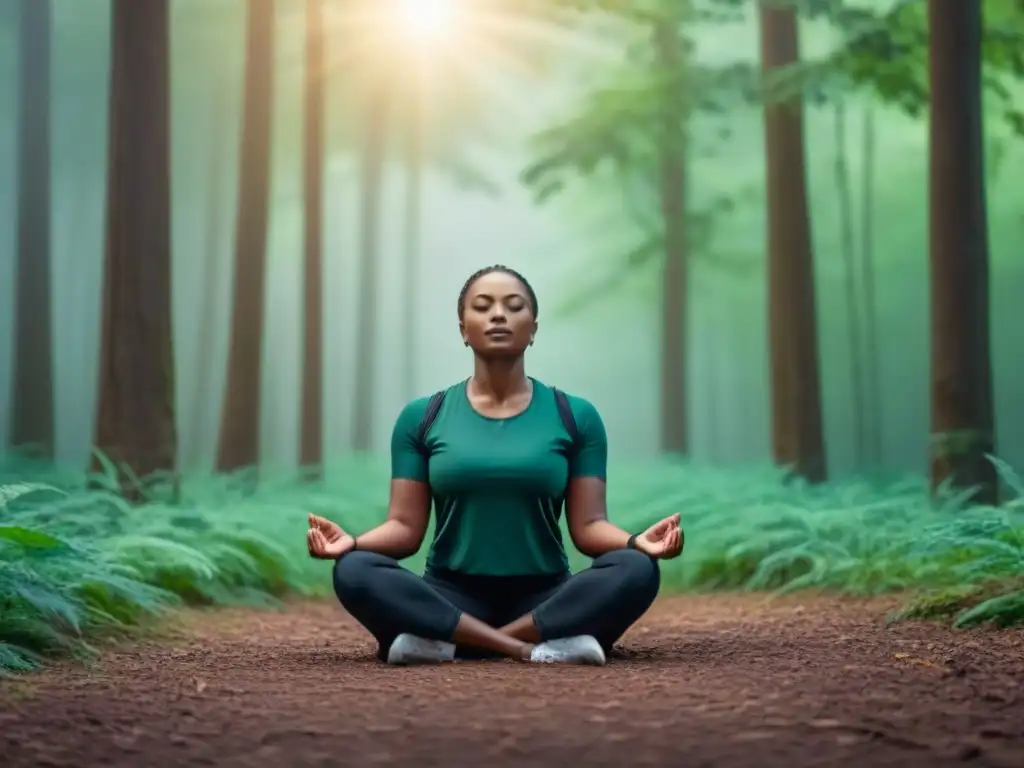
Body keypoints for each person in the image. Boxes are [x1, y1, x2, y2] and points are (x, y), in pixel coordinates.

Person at [305, 265, 684, 666]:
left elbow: (589, 527)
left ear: (533, 328)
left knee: (637, 568)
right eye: (483, 307)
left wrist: (635, 543)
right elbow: (404, 528)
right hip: (449, 595)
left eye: (513, 306)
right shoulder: (423, 417)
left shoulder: (575, 415)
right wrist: (352, 544)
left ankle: (449, 644)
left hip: (546, 596)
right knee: (354, 569)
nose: (498, 315)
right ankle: (537, 648)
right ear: (463, 329)